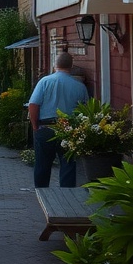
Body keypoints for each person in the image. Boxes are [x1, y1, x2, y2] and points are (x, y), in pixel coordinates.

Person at [28, 52, 89, 187]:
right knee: (68, 164)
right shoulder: (80, 86)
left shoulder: (44, 82)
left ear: (55, 65)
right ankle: (67, 196)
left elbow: (33, 105)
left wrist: (34, 125)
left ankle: (42, 192)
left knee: (42, 164)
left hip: (45, 127)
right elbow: (85, 110)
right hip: (68, 130)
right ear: (71, 66)